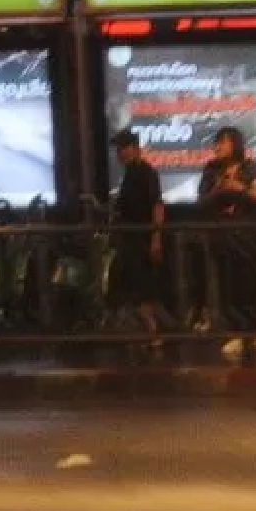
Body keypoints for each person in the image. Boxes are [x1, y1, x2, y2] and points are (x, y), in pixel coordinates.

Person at [195, 126, 256, 337]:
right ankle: (229, 330)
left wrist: (241, 189)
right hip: (219, 236)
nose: (217, 146)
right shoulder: (210, 169)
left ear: (235, 144)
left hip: (247, 237)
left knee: (247, 284)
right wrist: (218, 189)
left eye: (223, 142)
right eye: (216, 142)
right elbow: (200, 202)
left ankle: (254, 331)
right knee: (222, 285)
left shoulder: (250, 168)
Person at [108, 129, 167, 353]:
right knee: (134, 285)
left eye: (123, 148)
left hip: (142, 239)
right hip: (131, 240)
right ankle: (145, 332)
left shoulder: (145, 172)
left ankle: (153, 333)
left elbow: (157, 205)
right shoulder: (130, 174)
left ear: (134, 148)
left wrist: (156, 238)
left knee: (144, 287)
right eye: (118, 149)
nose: (119, 153)